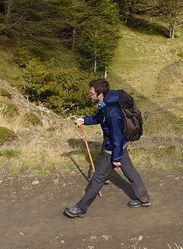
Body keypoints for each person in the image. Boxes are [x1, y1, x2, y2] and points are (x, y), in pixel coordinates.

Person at [63, 78, 150, 218]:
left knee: (98, 178)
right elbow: (99, 118)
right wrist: (84, 120)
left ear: (100, 94)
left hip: (113, 148)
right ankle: (144, 198)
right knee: (129, 170)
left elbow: (116, 136)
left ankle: (80, 208)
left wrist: (115, 158)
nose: (89, 95)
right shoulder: (107, 103)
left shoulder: (112, 113)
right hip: (119, 146)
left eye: (91, 93)